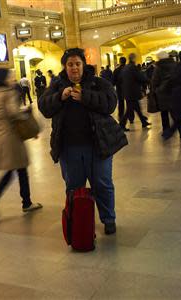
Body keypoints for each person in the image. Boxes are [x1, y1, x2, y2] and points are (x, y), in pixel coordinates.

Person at [38, 48, 128, 235]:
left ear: (83, 64)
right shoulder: (57, 85)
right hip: (69, 149)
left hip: (98, 146)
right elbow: (44, 107)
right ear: (65, 67)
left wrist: (85, 97)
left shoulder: (97, 82)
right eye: (70, 64)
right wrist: (59, 97)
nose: (74, 68)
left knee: (102, 184)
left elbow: (110, 104)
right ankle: (80, 223)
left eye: (77, 64)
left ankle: (108, 219)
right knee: (74, 188)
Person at [0, 68, 43, 220]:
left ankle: (26, 202)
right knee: (14, 171)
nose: (12, 78)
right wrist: (26, 112)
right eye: (10, 76)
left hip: (1, 135)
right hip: (12, 137)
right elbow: (13, 112)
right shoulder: (9, 93)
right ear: (4, 78)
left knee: (19, 169)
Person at [120, 53, 151, 131]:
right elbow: (139, 77)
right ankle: (122, 124)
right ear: (133, 59)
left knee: (136, 108)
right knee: (130, 109)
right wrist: (148, 81)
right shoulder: (133, 67)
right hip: (132, 91)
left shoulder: (126, 68)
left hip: (128, 91)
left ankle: (143, 122)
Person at [151, 51, 178, 135]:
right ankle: (180, 130)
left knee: (164, 113)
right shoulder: (175, 65)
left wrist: (155, 90)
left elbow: (154, 81)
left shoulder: (158, 68)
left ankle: (166, 129)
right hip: (174, 92)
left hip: (162, 94)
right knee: (175, 112)